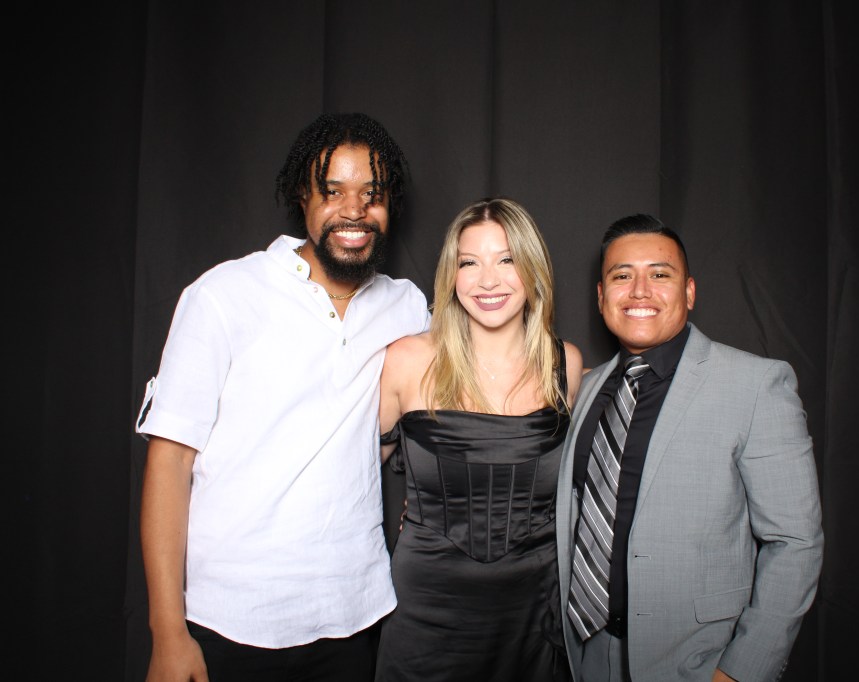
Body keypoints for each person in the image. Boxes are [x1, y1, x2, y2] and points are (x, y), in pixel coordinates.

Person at [135, 112, 431, 682]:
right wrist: (167, 632)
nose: (354, 210)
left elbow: (470, 372)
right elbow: (169, 462)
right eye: (333, 191)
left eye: (372, 194)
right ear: (303, 196)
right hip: (231, 620)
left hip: (355, 613)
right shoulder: (224, 295)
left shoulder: (405, 306)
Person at [556, 214, 823, 682]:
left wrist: (740, 672)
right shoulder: (583, 389)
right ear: (601, 296)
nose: (640, 291)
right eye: (622, 276)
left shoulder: (755, 385)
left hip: (697, 663)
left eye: (660, 274)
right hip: (584, 655)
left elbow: (795, 543)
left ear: (690, 291)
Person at [374, 197, 584, 682]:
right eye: (469, 263)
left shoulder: (565, 365)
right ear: (451, 275)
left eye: (506, 260)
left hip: (532, 613)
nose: (488, 280)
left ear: (532, 270)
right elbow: (354, 479)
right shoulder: (406, 361)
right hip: (426, 608)